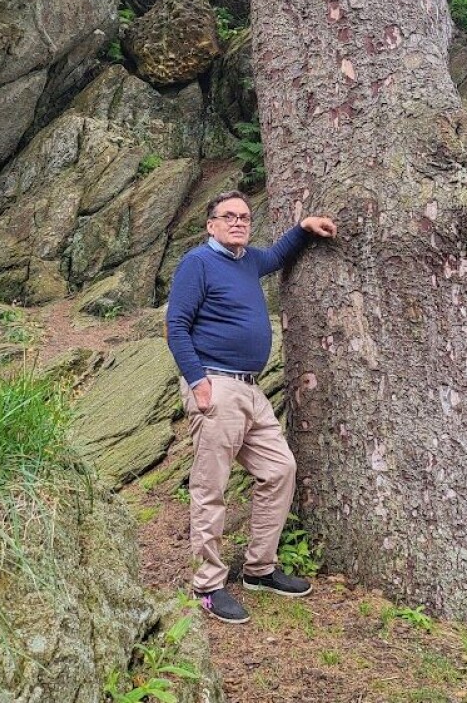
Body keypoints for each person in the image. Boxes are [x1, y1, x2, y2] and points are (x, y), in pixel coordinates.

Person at [165, 189, 337, 624]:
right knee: (211, 488)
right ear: (211, 225)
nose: (239, 222)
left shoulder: (248, 261)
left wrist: (302, 230)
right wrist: (198, 382)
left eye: (244, 216)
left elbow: (276, 256)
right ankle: (207, 586)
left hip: (251, 389)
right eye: (229, 217)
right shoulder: (197, 264)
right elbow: (176, 326)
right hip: (216, 386)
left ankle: (260, 569)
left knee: (280, 469)